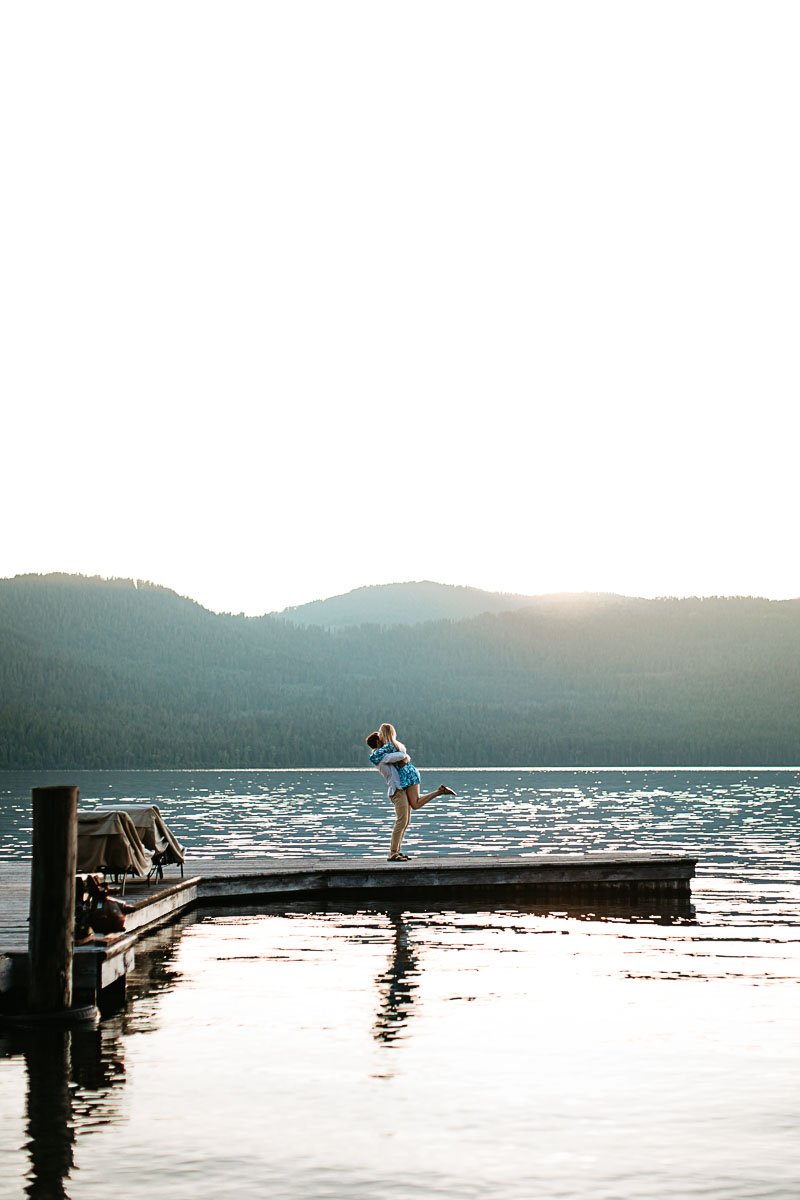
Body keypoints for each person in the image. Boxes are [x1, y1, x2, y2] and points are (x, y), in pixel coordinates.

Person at [366, 723, 455, 862]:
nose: (382, 738)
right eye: (380, 737)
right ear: (378, 742)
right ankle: (393, 853)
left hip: (401, 788)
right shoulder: (382, 757)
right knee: (401, 821)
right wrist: (404, 756)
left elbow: (401, 754)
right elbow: (401, 755)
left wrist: (401, 753)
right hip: (397, 791)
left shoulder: (384, 754)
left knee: (405, 822)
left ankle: (397, 851)